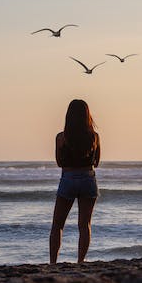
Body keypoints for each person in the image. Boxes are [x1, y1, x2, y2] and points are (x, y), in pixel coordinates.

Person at [50, 99, 100, 263]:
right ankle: (80, 261)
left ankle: (53, 263)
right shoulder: (94, 137)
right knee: (84, 225)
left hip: (69, 178)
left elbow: (59, 163)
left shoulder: (61, 137)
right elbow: (96, 163)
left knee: (58, 225)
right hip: (88, 178)